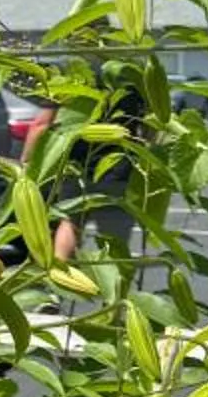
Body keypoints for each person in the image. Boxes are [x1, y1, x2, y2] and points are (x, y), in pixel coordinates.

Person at [52, 80, 151, 263]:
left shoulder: (78, 80)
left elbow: (54, 121)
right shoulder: (132, 82)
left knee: (70, 223)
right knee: (114, 237)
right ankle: (113, 284)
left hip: (77, 165)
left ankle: (58, 276)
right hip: (117, 168)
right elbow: (148, 127)